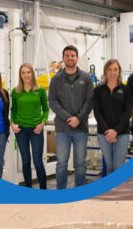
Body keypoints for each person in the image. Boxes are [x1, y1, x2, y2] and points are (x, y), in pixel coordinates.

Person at [48, 45, 94, 189]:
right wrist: (69, 118)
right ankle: (61, 193)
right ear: (63, 58)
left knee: (80, 163)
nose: (70, 58)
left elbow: (89, 101)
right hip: (62, 129)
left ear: (77, 58)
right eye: (67, 56)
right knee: (61, 163)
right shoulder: (56, 79)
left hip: (81, 128)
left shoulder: (86, 78)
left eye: (73, 55)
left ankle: (79, 192)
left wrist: (78, 118)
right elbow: (53, 102)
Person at [10, 63, 49, 189]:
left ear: (32, 73)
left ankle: (43, 190)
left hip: (36, 130)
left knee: (38, 162)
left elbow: (46, 110)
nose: (26, 75)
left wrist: (42, 123)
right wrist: (13, 124)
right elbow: (13, 111)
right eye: (23, 73)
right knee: (25, 161)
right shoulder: (16, 91)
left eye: (28, 72)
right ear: (20, 75)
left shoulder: (40, 90)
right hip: (21, 130)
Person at [92, 59, 133, 175]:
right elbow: (97, 113)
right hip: (103, 134)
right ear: (105, 72)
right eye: (109, 69)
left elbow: (128, 112)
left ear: (119, 71)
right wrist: (108, 131)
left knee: (118, 167)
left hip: (122, 133)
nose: (112, 72)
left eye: (115, 69)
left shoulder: (126, 90)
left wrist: (115, 131)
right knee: (109, 167)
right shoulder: (98, 90)